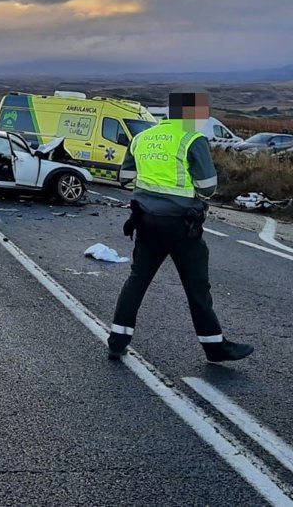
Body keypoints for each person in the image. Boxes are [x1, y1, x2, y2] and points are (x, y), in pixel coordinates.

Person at [107, 87, 253, 363]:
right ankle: (214, 347)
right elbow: (208, 188)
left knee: (137, 281)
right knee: (197, 287)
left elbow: (125, 177)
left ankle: (117, 340)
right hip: (182, 226)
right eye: (200, 113)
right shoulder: (192, 139)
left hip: (146, 222)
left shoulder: (142, 137)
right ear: (191, 114)